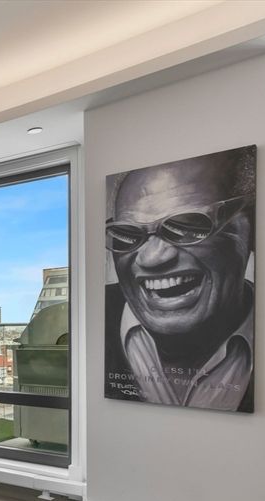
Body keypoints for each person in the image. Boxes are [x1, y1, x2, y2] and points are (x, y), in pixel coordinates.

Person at [104, 146, 255, 412]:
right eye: (127, 234)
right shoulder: (90, 321)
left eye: (187, 226)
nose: (151, 258)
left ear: (249, 230)